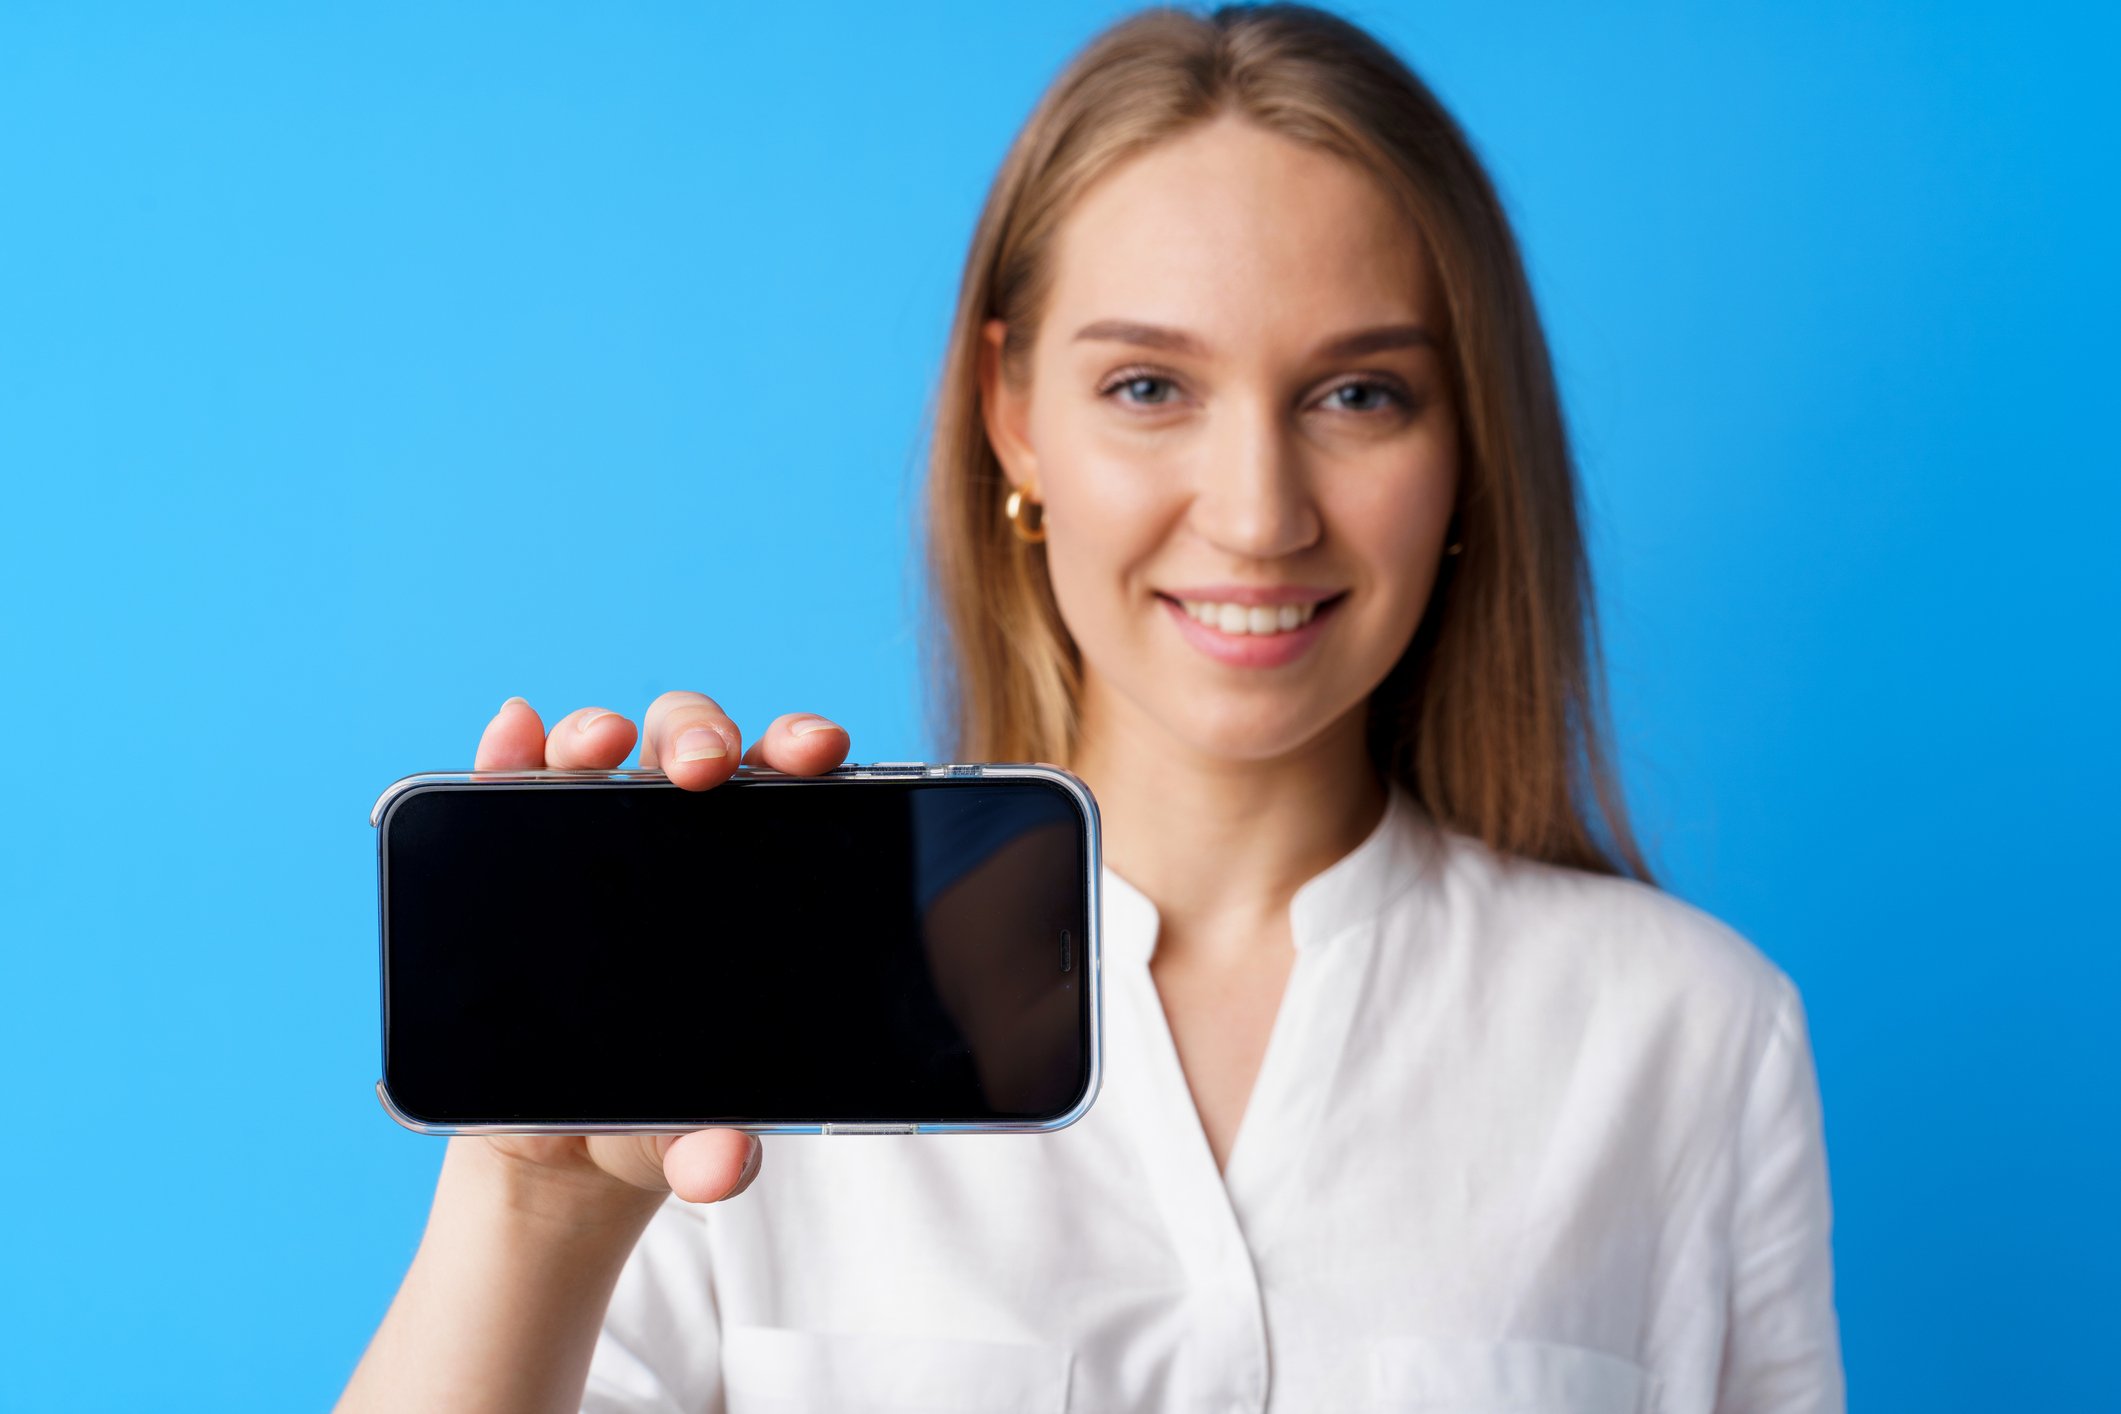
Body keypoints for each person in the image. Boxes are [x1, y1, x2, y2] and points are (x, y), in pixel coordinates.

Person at [335, 4, 1844, 1410]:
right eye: (1146, 387)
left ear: (1467, 446)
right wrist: (533, 1204)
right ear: (1013, 415)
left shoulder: (1688, 1037)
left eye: (1358, 394)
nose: (1256, 515)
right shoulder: (740, 1007)